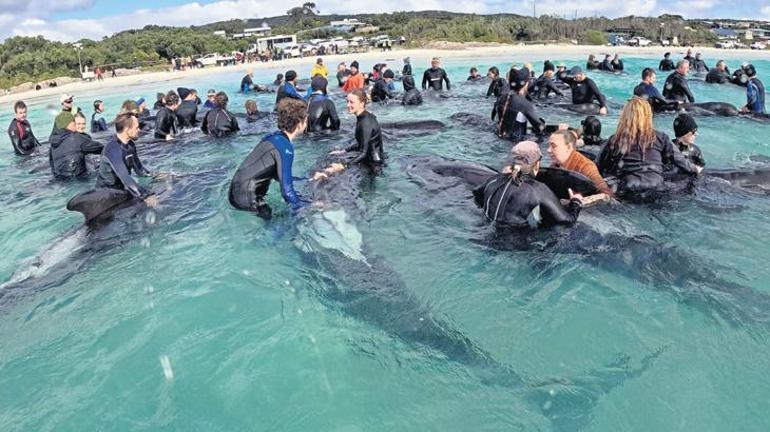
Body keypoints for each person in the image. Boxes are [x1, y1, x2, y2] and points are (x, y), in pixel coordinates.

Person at [596, 97, 701, 195]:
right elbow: (680, 161)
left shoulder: (615, 139)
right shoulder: (661, 137)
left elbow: (597, 166)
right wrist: (695, 169)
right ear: (648, 116)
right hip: (656, 187)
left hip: (629, 188)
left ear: (625, 117)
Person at [473, 140, 584, 228]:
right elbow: (567, 221)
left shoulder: (493, 181)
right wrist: (576, 203)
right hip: (517, 247)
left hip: (487, 235)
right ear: (536, 165)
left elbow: (476, 194)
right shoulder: (538, 190)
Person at [228, 98, 307, 219]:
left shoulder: (273, 137)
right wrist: (307, 207)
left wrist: (305, 179)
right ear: (299, 122)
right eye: (305, 120)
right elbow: (287, 192)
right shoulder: (285, 147)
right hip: (248, 200)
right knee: (284, 226)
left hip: (236, 193)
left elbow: (277, 175)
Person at [95, 112, 158, 207]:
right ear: (127, 130)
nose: (139, 130)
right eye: (136, 127)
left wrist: (159, 176)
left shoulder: (130, 145)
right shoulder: (112, 149)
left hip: (121, 191)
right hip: (106, 197)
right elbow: (126, 179)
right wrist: (146, 196)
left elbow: (140, 171)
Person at [326, 89, 383, 171]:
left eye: (351, 102)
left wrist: (344, 166)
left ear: (362, 103)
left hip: (374, 165)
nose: (348, 105)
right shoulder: (363, 117)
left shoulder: (365, 122)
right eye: (347, 101)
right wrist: (344, 151)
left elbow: (363, 152)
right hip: (370, 159)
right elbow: (363, 143)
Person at [547, 130, 612, 195]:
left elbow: (606, 194)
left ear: (569, 147)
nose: (548, 150)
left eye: (553, 146)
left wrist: (581, 201)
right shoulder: (555, 165)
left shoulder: (586, 166)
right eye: (549, 146)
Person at [492, 67, 545, 140]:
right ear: (525, 84)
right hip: (515, 143)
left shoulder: (501, 98)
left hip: (498, 136)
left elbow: (493, 117)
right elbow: (540, 128)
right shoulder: (525, 104)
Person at [49, 113, 103, 179]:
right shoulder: (78, 139)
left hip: (61, 179)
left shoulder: (54, 143)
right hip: (79, 178)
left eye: (84, 124)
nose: (81, 126)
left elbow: (52, 165)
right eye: (78, 124)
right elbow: (102, 148)